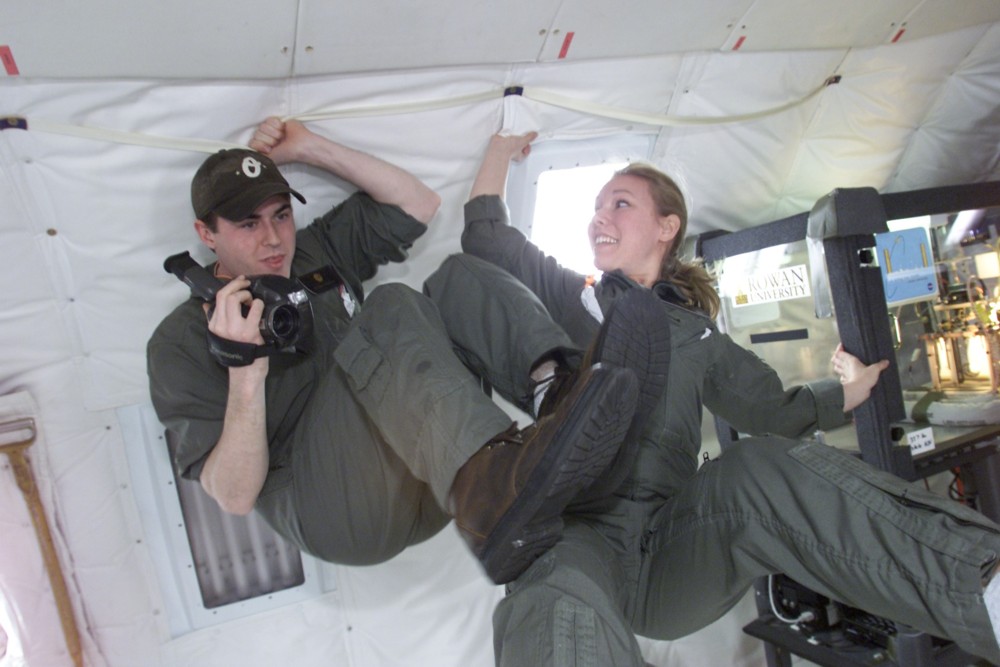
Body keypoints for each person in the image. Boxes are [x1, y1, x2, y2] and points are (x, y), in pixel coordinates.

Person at [456, 131, 1000, 665]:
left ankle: (981, 589)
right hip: (583, 539)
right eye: (596, 208)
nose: (600, 217)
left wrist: (847, 389)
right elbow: (486, 237)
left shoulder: (697, 335)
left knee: (753, 466)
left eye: (619, 204)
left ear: (667, 227)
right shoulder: (572, 297)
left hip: (668, 551)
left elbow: (775, 412)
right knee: (554, 575)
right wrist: (501, 148)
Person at [146, 117, 648, 586]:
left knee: (458, 276)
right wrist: (245, 370)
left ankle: (560, 404)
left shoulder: (312, 253)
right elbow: (234, 497)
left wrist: (307, 147)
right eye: (248, 224)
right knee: (389, 306)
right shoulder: (180, 342)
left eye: (281, 215)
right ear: (206, 234)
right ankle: (493, 494)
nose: (274, 239)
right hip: (335, 508)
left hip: (423, 474)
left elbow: (417, 203)